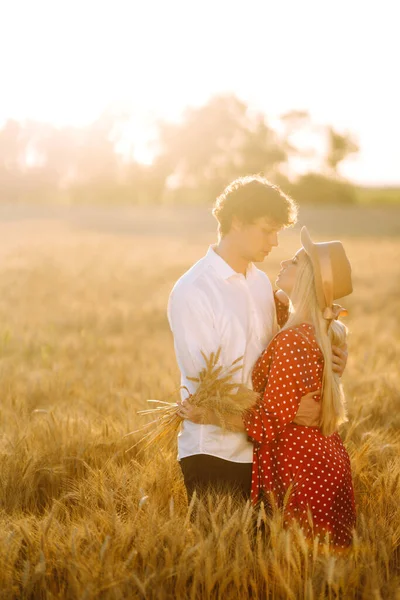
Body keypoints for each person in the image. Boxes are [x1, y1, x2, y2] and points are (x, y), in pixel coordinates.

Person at [168, 175, 348, 501]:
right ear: (237, 221)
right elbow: (211, 386)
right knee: (224, 553)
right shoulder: (195, 290)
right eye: (268, 230)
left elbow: (295, 347)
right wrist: (289, 413)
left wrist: (334, 358)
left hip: (266, 453)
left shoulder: (262, 284)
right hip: (215, 452)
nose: (276, 242)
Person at [181, 226, 356, 549]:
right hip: (323, 457)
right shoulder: (309, 328)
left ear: (308, 279)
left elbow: (266, 424)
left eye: (297, 260)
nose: (283, 259)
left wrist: (207, 415)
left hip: (299, 468)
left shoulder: (292, 339)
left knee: (298, 565)